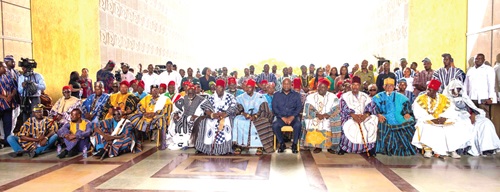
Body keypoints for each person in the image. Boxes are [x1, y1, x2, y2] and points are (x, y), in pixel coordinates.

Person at [411, 79, 470, 158]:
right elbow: (419, 114)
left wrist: (444, 118)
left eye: (430, 90)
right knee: (425, 127)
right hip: (428, 121)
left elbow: (451, 111)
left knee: (453, 127)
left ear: (436, 90)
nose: (427, 91)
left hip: (443, 121)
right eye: (427, 89)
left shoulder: (444, 99)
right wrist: (433, 119)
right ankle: (428, 150)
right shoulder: (420, 99)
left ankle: (452, 150)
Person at [444, 79, 500, 156]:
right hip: (458, 117)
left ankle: (488, 147)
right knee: (465, 124)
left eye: (458, 89)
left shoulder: (464, 98)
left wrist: (473, 114)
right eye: (453, 89)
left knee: (486, 122)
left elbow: (473, 108)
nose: (455, 91)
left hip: (470, 115)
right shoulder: (446, 100)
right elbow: (448, 113)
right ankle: (466, 147)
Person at [372, 77, 416, 156]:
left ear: (394, 86)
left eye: (391, 85)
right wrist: (378, 115)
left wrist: (406, 113)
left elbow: (406, 104)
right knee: (382, 125)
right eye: (387, 85)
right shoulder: (378, 97)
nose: (389, 87)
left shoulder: (400, 96)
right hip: (384, 117)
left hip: (398, 117)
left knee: (411, 124)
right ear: (383, 87)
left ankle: (406, 148)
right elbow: (372, 107)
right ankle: (383, 149)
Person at [195, 79, 237, 155]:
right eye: (217, 87)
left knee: (227, 123)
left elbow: (233, 107)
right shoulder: (211, 97)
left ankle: (225, 149)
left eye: (220, 88)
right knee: (203, 122)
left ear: (224, 88)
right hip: (214, 117)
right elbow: (205, 107)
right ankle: (203, 148)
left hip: (226, 117)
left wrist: (225, 114)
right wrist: (212, 114)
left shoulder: (230, 97)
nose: (218, 90)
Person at [338, 76, 378, 155]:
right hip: (350, 116)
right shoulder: (345, 96)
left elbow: (371, 107)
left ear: (360, 86)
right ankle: (345, 148)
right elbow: (343, 108)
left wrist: (365, 116)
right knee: (350, 125)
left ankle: (370, 148)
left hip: (363, 116)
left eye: (357, 85)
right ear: (351, 85)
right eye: (354, 84)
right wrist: (354, 116)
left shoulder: (365, 96)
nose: (355, 87)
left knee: (373, 121)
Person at [233, 79, 274, 155]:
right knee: (237, 120)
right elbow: (237, 108)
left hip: (258, 116)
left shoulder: (260, 97)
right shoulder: (240, 97)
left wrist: (255, 116)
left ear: (253, 88)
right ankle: (239, 145)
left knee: (264, 122)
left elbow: (265, 110)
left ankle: (260, 146)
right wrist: (244, 113)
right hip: (244, 116)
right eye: (247, 87)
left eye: (250, 87)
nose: (248, 89)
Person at [302, 79, 341, 154]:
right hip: (315, 116)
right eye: (319, 87)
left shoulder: (333, 97)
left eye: (323, 87)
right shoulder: (310, 96)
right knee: (311, 122)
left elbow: (336, 108)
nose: (320, 89)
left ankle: (330, 146)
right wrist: (316, 114)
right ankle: (317, 146)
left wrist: (327, 115)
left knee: (332, 122)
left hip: (328, 117)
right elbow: (307, 108)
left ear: (327, 88)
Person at [167, 83, 208, 150]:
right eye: (189, 93)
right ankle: (181, 141)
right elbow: (177, 108)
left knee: (191, 122)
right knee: (177, 123)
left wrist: (197, 116)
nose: (190, 95)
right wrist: (176, 114)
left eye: (192, 93)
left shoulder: (201, 100)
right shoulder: (184, 98)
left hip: (195, 118)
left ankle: (190, 142)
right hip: (184, 117)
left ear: (195, 91)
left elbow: (205, 110)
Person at [130, 85, 172, 150]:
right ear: (150, 92)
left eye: (156, 90)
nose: (155, 92)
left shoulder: (164, 99)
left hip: (157, 117)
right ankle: (138, 142)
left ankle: (163, 143)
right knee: (134, 119)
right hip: (145, 116)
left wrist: (155, 113)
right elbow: (139, 106)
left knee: (162, 120)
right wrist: (144, 113)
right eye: (153, 90)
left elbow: (167, 108)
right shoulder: (147, 98)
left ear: (158, 91)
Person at [272, 78, 302, 153]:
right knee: (275, 125)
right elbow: (274, 108)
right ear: (282, 85)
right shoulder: (276, 95)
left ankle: (294, 144)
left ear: (291, 85)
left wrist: (292, 117)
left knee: (298, 125)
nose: (286, 85)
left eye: (288, 84)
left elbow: (299, 107)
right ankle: (282, 144)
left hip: (293, 117)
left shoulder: (296, 95)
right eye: (284, 84)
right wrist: (282, 118)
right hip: (281, 117)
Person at [464, 53, 497, 118]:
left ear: (483, 60)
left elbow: (491, 84)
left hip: (483, 99)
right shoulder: (470, 70)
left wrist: (491, 98)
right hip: (472, 99)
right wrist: (466, 98)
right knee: (473, 118)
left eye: (480, 59)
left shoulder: (488, 69)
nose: (478, 60)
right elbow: (466, 85)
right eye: (476, 59)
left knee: (484, 117)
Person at [0, 62, 18, 141]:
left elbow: (14, 87)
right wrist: (4, 97)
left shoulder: (7, 77)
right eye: (4, 67)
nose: (6, 68)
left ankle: (7, 140)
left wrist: (11, 95)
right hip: (1, 103)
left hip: (8, 105)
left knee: (8, 123)